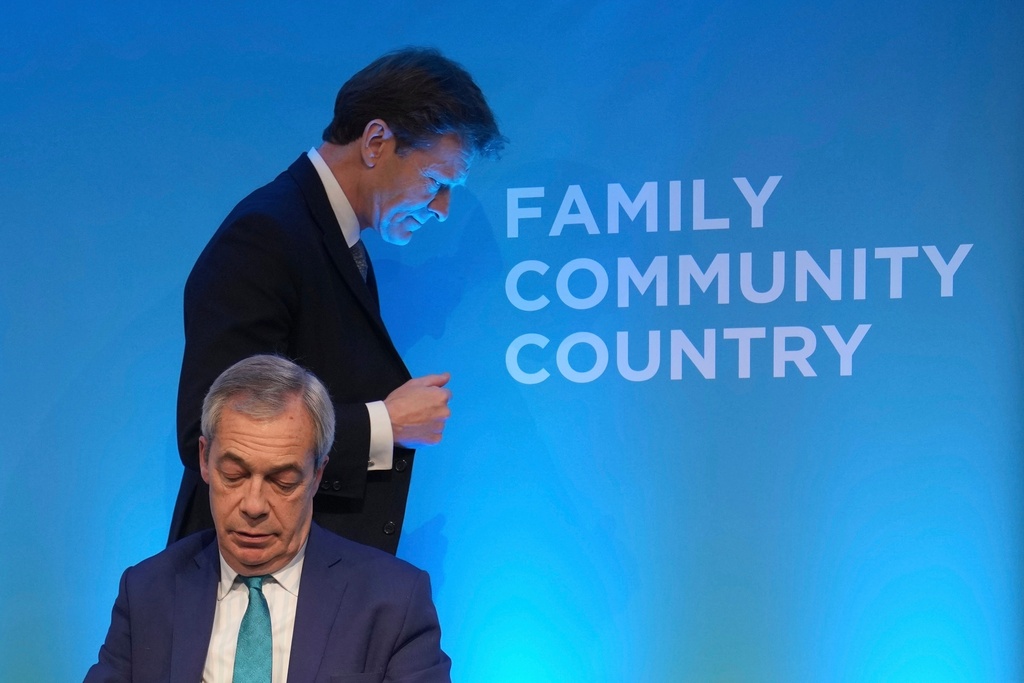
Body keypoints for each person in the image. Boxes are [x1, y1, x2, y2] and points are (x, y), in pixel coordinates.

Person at [169, 47, 505, 553]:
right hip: (250, 577)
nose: (442, 209)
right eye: (435, 182)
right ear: (376, 142)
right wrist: (385, 424)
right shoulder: (265, 235)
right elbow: (211, 431)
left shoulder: (330, 237)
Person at [86, 355, 451, 682]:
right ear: (204, 460)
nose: (254, 505)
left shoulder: (393, 601)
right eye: (234, 475)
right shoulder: (148, 591)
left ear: (317, 476)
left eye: (283, 482)